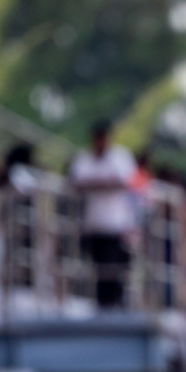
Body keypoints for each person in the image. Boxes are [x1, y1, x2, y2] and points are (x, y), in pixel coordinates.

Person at [68, 121, 138, 307]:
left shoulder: (120, 156)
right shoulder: (84, 158)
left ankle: (116, 303)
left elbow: (124, 181)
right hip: (94, 224)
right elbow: (77, 183)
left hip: (117, 224)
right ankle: (103, 304)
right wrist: (105, 183)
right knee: (98, 269)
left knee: (116, 268)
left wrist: (95, 184)